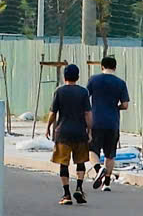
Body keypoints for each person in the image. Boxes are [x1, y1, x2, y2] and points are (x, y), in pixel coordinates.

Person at [49, 62, 94, 206]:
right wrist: (89, 130)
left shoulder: (59, 91)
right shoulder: (83, 92)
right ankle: (79, 187)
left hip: (63, 133)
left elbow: (53, 112)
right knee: (80, 162)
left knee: (64, 163)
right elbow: (88, 114)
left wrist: (48, 126)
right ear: (78, 77)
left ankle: (66, 194)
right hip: (80, 132)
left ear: (64, 76)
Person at [85, 54, 130, 190]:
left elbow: (85, 98)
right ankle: (107, 183)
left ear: (102, 66)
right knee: (110, 154)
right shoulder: (120, 83)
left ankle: (98, 169)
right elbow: (125, 105)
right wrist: (115, 107)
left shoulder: (93, 80)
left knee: (92, 149)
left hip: (96, 121)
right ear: (115, 68)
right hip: (112, 122)